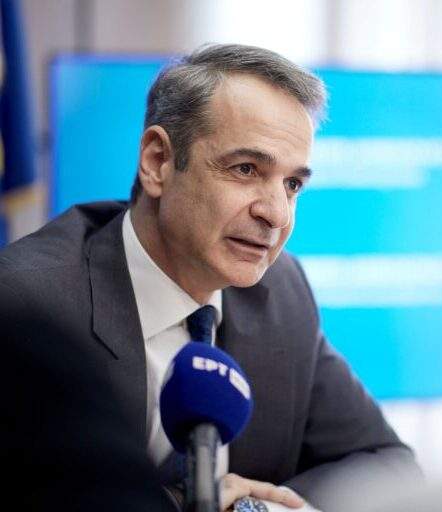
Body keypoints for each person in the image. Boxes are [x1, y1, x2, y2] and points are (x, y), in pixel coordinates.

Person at [0, 44, 419, 510]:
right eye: (246, 169)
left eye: (292, 184)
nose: (277, 214)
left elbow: (387, 463)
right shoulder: (26, 306)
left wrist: (261, 507)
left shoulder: (281, 291)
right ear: (158, 161)